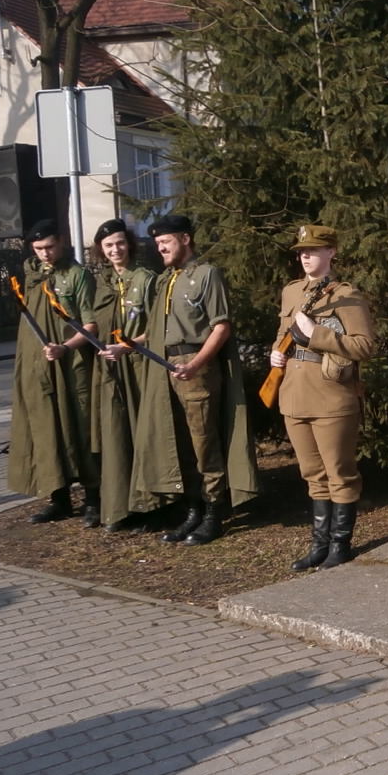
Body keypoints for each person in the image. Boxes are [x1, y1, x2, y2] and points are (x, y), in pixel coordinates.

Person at [132, 214, 257, 545]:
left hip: (195, 367)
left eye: (166, 243)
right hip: (166, 365)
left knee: (204, 443)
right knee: (180, 443)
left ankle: (214, 513)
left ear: (185, 239)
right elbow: (158, 329)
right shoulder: (165, 280)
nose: (160, 249)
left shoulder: (206, 275)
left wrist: (197, 363)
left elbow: (221, 326)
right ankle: (193, 511)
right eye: (157, 245)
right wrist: (129, 344)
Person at [269, 225, 376, 571]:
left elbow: (365, 345)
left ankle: (340, 545)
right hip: (293, 394)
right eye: (302, 250)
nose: (305, 255)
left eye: (314, 250)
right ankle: (319, 544)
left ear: (331, 253)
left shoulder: (347, 296)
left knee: (339, 473)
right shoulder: (291, 292)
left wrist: (318, 335)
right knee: (313, 474)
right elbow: (282, 335)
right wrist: (275, 354)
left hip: (331, 397)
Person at [7, 220, 100, 524]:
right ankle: (57, 498)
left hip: (71, 366)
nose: (45, 254)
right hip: (37, 368)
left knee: (81, 429)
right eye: (38, 249)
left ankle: (94, 499)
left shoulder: (77, 276)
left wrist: (66, 347)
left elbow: (91, 325)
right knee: (45, 430)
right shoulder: (30, 277)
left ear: (61, 241)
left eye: (49, 247)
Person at [89, 219, 156, 532]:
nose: (115, 250)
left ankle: (150, 507)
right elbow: (92, 324)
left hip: (139, 369)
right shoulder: (100, 283)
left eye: (119, 243)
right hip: (110, 370)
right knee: (116, 436)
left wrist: (126, 348)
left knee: (142, 434)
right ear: (101, 251)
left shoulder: (145, 280)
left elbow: (156, 330)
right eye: (108, 245)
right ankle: (119, 508)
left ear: (129, 244)